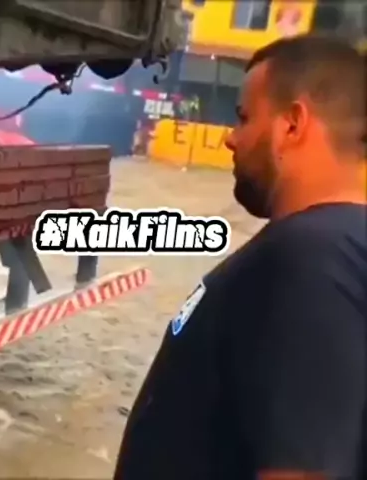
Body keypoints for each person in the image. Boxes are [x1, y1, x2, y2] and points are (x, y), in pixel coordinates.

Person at [114, 34, 366, 480]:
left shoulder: (310, 259)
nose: (232, 139)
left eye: (244, 118)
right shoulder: (340, 248)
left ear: (293, 125)